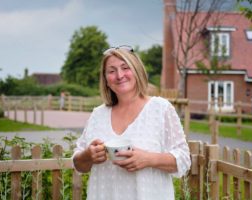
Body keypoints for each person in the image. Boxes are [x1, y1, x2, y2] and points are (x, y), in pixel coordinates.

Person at [72, 45, 191, 200]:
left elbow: (183, 159)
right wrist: (87, 155)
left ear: (137, 71)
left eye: (125, 67)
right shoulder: (98, 115)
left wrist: (148, 159)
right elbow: (78, 164)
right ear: (106, 80)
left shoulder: (160, 109)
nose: (119, 75)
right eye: (112, 71)